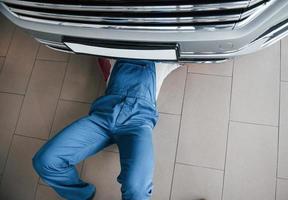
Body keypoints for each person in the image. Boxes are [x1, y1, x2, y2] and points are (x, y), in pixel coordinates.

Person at [32, 58, 180, 200]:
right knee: (45, 161)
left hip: (137, 125)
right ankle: (81, 195)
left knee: (137, 189)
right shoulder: (113, 52)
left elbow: (193, 52)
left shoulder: (163, 59)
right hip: (101, 119)